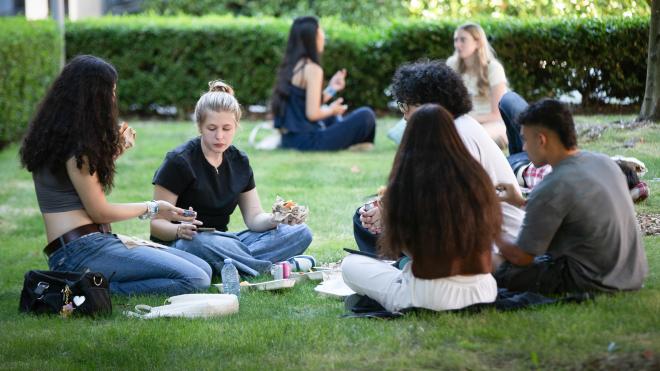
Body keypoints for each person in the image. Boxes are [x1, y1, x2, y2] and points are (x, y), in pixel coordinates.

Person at [19, 55, 211, 296]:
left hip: (81, 247)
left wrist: (115, 151)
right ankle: (85, 289)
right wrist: (153, 208)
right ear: (94, 98)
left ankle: (90, 284)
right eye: (111, 91)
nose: (113, 99)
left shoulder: (56, 137)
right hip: (80, 251)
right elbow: (99, 211)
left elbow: (81, 183)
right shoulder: (78, 150)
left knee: (203, 268)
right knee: (196, 279)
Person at [354, 60, 524, 268]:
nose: (405, 115)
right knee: (363, 217)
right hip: (475, 234)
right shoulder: (452, 128)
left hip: (488, 245)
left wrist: (391, 217)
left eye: (407, 106)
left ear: (431, 106)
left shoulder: (457, 136)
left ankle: (404, 264)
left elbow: (447, 206)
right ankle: (401, 260)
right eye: (401, 106)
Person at [342, 104, 499, 312]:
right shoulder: (478, 176)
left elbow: (412, 252)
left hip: (430, 298)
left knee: (351, 265)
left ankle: (377, 297)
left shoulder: (410, 184)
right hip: (484, 291)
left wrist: (388, 222)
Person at [151, 80, 313, 277]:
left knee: (300, 232)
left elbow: (254, 219)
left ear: (236, 127)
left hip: (225, 243)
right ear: (200, 126)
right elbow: (157, 225)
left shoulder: (240, 161)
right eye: (212, 128)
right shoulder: (178, 162)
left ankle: (233, 266)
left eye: (226, 129)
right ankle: (268, 267)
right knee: (197, 242)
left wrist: (275, 219)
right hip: (185, 244)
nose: (219, 136)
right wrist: (179, 231)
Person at [494, 99, 648, 294]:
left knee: (499, 268)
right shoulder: (604, 162)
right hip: (631, 275)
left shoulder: (554, 184)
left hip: (594, 281)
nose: (523, 148)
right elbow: (569, 209)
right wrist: (519, 201)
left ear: (541, 140)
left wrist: (491, 230)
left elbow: (521, 258)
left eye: (525, 140)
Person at [271, 16, 377, 151]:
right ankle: (358, 143)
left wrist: (332, 88)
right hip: (309, 142)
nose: (323, 36)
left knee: (333, 119)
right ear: (312, 38)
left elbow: (304, 103)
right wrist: (332, 109)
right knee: (366, 115)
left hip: (290, 139)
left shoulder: (293, 65)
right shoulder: (313, 69)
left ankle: (351, 140)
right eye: (320, 31)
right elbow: (313, 114)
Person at [447, 22, 508, 148]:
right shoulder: (452, 64)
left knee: (466, 138)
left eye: (463, 40)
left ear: (478, 42)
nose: (458, 45)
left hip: (493, 124)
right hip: (463, 120)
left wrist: (467, 119)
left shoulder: (494, 68)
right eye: (456, 40)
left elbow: (497, 115)